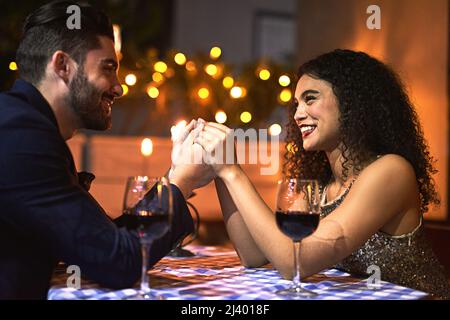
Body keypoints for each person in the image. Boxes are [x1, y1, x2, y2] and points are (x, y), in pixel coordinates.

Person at [193, 49, 450, 299]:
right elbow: (256, 256)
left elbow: (295, 261)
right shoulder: (320, 184)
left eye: (310, 98)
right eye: (296, 104)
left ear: (351, 102)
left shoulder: (391, 171)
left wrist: (233, 172)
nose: (297, 114)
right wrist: (222, 170)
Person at [0, 1, 214, 299]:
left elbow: (104, 241)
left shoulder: (27, 126)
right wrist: (183, 181)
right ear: (63, 66)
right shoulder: (20, 137)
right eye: (108, 68)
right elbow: (117, 262)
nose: (118, 87)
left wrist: (174, 177)